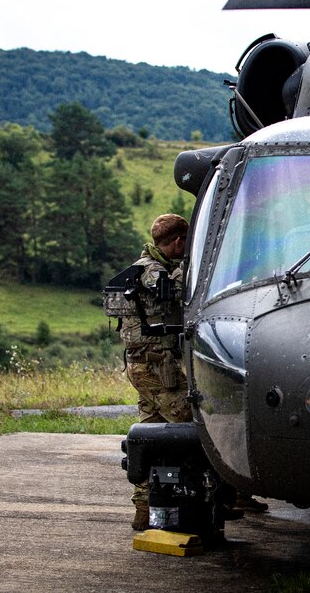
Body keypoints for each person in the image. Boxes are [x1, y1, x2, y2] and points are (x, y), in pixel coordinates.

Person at [122, 213, 266, 531]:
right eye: (186, 243)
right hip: (157, 368)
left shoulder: (148, 267)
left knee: (151, 434)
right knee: (199, 426)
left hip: (149, 366)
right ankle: (222, 495)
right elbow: (184, 288)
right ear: (178, 242)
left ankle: (144, 509)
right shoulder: (152, 271)